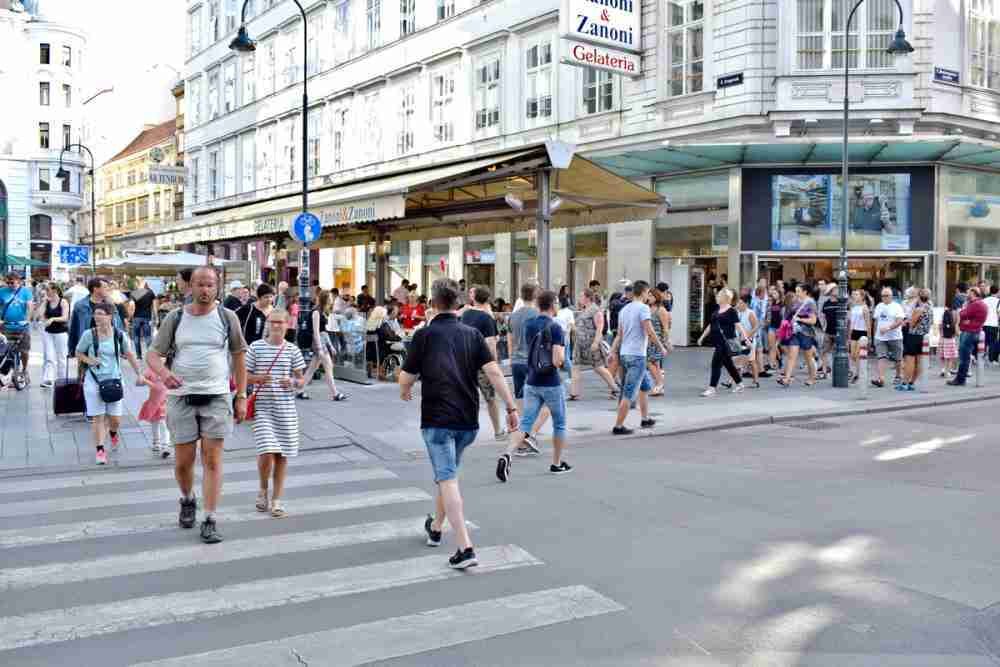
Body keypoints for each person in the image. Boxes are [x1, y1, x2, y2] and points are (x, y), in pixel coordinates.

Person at [400, 278, 518, 569]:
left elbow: (405, 378)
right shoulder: (473, 335)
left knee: (447, 479)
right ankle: (436, 528)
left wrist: (404, 390)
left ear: (432, 303)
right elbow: (493, 372)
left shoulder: (423, 336)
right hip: (468, 420)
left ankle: (465, 546)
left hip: (438, 418)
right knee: (448, 474)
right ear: (458, 304)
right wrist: (511, 407)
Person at [146, 266, 249, 545]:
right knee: (183, 462)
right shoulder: (175, 317)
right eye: (200, 284)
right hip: (181, 398)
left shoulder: (228, 318)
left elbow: (239, 357)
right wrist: (166, 374)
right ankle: (188, 498)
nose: (205, 290)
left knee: (213, 459)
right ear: (190, 286)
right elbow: (153, 355)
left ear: (218, 287)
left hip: (217, 396)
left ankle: (210, 518)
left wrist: (241, 396)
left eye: (210, 285)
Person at [499, 289, 572, 479]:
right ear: (553, 304)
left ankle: (507, 454)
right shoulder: (556, 327)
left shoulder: (529, 324)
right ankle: (556, 463)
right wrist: (566, 365)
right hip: (550, 382)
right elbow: (557, 360)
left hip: (531, 380)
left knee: (525, 423)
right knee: (560, 424)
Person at [247, 309, 307, 518]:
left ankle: (277, 500)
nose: (276, 326)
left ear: (287, 324)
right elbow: (242, 376)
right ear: (267, 324)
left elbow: (301, 382)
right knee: (266, 450)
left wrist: (292, 382)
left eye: (280, 322)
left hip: (285, 409)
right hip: (262, 407)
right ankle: (263, 489)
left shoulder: (292, 350)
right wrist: (256, 378)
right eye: (273, 322)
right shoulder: (255, 347)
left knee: (281, 455)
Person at [75, 302, 145, 465]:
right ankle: (100, 450)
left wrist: (139, 374)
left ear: (110, 316)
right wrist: (89, 360)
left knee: (115, 419)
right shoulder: (88, 334)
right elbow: (78, 352)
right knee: (97, 417)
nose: (97, 317)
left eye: (100, 313)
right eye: (95, 314)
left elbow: (130, 355)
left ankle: (113, 432)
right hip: (93, 380)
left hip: (114, 380)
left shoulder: (119, 335)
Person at [610, 281, 667, 433]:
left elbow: (619, 335)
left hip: (625, 355)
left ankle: (645, 419)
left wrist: (612, 350)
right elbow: (649, 330)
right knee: (629, 392)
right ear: (642, 292)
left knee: (645, 387)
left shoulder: (624, 309)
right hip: (637, 356)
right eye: (648, 292)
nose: (649, 295)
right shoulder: (643, 308)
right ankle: (618, 426)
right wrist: (661, 347)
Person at [461, 287, 506, 440]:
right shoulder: (487, 319)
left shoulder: (466, 314)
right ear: (487, 300)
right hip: (482, 364)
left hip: (465, 362)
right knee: (490, 398)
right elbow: (491, 345)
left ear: (474, 298)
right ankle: (498, 431)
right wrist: (494, 364)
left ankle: (464, 428)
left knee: (466, 396)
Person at [507, 283, 547, 452]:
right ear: (536, 295)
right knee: (546, 400)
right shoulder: (538, 316)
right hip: (533, 362)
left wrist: (511, 358)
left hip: (516, 361)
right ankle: (528, 435)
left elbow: (510, 340)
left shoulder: (513, 316)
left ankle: (521, 438)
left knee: (520, 400)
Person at [697, 288, 748, 397]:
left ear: (725, 298)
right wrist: (702, 337)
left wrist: (746, 339)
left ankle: (712, 388)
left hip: (726, 342)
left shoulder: (731, 311)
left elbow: (738, 326)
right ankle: (740, 384)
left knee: (715, 364)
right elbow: (711, 325)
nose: (716, 297)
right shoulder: (717, 310)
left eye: (718, 295)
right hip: (717, 341)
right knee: (728, 364)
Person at [297, 290, 347, 401]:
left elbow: (323, 331)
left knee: (312, 368)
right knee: (328, 367)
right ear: (325, 299)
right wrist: (319, 348)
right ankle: (335, 393)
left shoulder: (323, 312)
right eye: (330, 297)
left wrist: (330, 346)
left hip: (321, 342)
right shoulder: (316, 312)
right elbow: (316, 332)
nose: (332, 299)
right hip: (318, 343)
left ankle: (300, 390)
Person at [570, 288, 618, 400]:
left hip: (590, 342)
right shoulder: (585, 310)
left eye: (581, 296)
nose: (579, 299)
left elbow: (599, 327)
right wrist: (574, 329)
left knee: (598, 367)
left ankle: (615, 388)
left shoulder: (595, 310)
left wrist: (596, 342)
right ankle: (574, 393)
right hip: (580, 342)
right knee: (575, 366)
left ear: (587, 298)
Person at [778, 284, 819, 387]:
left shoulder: (810, 303)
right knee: (792, 356)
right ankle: (787, 379)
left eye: (798, 291)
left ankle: (812, 378)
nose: (796, 293)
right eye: (796, 291)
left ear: (805, 292)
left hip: (806, 333)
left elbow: (813, 321)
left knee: (808, 357)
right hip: (794, 332)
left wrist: (800, 319)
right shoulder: (795, 302)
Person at [949, 286, 988, 386]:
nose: (967, 294)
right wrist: (965, 318)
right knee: (966, 357)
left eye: (969, 293)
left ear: (973, 293)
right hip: (974, 331)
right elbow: (965, 317)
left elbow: (962, 314)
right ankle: (961, 378)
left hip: (969, 332)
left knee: (964, 358)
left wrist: (963, 312)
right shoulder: (980, 303)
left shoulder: (975, 304)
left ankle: (960, 380)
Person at [0, 271, 34, 384]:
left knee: (24, 350)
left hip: (22, 326)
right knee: (6, 351)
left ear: (19, 281)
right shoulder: (2, 291)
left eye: (12, 282)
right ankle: (11, 371)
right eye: (8, 282)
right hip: (6, 325)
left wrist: (27, 320)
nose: (10, 284)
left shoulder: (26, 292)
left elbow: (29, 307)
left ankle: (24, 370)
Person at [899, 288, 932, 391]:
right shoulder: (929, 308)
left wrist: (908, 322)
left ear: (919, 297)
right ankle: (912, 382)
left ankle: (905, 383)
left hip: (914, 336)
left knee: (910, 360)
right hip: (924, 337)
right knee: (919, 361)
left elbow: (912, 323)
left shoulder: (918, 309)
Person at [871, 287, 905, 388]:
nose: (884, 298)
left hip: (895, 337)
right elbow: (876, 321)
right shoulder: (879, 306)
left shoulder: (897, 306)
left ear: (891, 296)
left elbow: (900, 321)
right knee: (881, 357)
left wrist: (888, 328)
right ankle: (881, 378)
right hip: (880, 338)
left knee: (898, 358)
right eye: (882, 296)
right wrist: (875, 335)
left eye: (886, 296)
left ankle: (898, 376)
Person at [37, 283, 69, 388]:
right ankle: (48, 379)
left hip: (61, 332)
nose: (46, 292)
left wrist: (53, 319)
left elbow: (65, 317)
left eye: (48, 290)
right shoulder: (47, 302)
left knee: (62, 357)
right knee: (49, 356)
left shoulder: (63, 302)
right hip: (48, 332)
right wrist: (44, 301)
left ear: (55, 290)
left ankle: (62, 379)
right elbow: (39, 315)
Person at [646, 288, 671, 396]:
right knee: (655, 364)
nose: (649, 298)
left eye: (652, 296)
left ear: (657, 297)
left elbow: (665, 328)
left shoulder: (661, 310)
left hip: (656, 340)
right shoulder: (647, 308)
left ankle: (659, 384)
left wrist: (666, 342)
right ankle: (659, 385)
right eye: (648, 295)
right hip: (647, 340)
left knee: (649, 362)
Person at [127, 277, 157, 359]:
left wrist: (130, 317)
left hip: (136, 317)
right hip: (147, 317)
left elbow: (131, 306)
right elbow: (154, 307)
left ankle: (139, 356)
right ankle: (149, 355)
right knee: (148, 337)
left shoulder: (134, 293)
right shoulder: (150, 292)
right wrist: (156, 317)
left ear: (137, 283)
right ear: (144, 282)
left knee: (136, 337)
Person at [734, 294, 760, 388]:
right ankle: (737, 381)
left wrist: (748, 336)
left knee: (751, 361)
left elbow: (756, 326)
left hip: (749, 341)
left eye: (741, 303)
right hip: (741, 340)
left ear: (746, 304)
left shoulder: (750, 313)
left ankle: (756, 381)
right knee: (742, 360)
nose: (739, 304)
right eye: (738, 302)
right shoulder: (739, 312)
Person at [848, 289, 872, 383]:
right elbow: (851, 322)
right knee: (853, 355)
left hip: (863, 332)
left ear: (862, 297)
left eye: (857, 294)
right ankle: (860, 370)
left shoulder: (865, 308)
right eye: (854, 294)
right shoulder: (853, 307)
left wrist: (869, 337)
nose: (855, 296)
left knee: (858, 354)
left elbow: (868, 323)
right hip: (854, 331)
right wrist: (849, 336)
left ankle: (858, 374)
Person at [818, 283, 840, 381]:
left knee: (838, 353)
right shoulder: (826, 303)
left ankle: (839, 371)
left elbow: (848, 318)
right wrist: (823, 326)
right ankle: (825, 371)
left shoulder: (841, 303)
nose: (838, 291)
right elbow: (822, 316)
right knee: (824, 351)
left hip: (839, 332)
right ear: (831, 291)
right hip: (828, 331)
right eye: (835, 289)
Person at [555, 295, 575, 388]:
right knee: (558, 357)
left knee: (566, 358)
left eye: (558, 301)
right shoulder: (558, 311)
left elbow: (570, 325)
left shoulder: (568, 312)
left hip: (564, 335)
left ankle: (572, 377)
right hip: (558, 335)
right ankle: (557, 378)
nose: (557, 303)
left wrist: (566, 335)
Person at [767, 286, 783, 372]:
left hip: (780, 327)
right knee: (771, 346)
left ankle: (780, 360)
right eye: (773, 293)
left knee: (777, 346)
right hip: (772, 326)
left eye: (775, 293)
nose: (773, 295)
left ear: (779, 294)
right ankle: (772, 364)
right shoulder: (771, 303)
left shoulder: (782, 304)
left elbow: (783, 316)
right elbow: (769, 314)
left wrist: (781, 328)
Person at [939, 303, 958, 377]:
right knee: (950, 356)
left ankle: (944, 369)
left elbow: (940, 326)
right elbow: (956, 326)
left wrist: (941, 336)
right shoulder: (955, 313)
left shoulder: (944, 314)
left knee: (944, 355)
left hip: (944, 338)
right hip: (951, 338)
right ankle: (948, 371)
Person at [984, 285, 1000, 365]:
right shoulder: (998, 301)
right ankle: (991, 359)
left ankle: (982, 357)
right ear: (998, 291)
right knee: (993, 342)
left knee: (984, 341)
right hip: (994, 324)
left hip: (984, 323)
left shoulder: (984, 300)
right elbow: (999, 313)